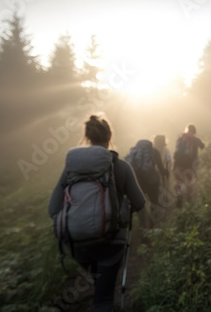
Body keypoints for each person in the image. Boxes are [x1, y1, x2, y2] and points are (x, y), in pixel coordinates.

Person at [48, 114, 145, 312]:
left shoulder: (72, 168)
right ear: (110, 137)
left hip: (79, 245)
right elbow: (140, 203)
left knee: (97, 280)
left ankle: (98, 288)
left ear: (88, 137)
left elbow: (52, 209)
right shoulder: (121, 166)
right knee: (104, 298)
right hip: (111, 242)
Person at [173, 124, 205, 206]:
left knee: (178, 182)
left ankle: (179, 196)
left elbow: (176, 151)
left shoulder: (180, 138)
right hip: (189, 164)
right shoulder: (195, 139)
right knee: (189, 182)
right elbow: (202, 146)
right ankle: (189, 199)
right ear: (194, 131)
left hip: (178, 163)